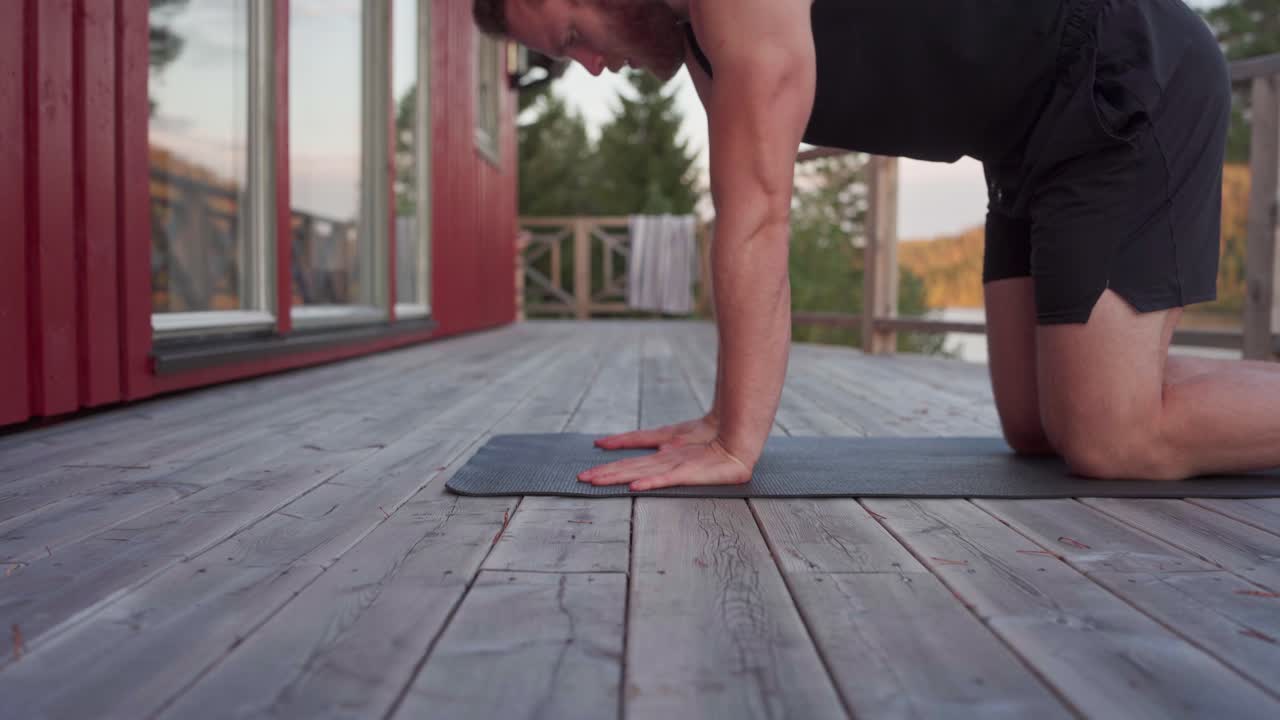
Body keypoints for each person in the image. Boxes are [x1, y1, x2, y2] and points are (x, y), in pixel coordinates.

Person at [474, 0, 1280, 491]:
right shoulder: (701, 45)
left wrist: (734, 445)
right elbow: (739, 205)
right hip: (1025, 139)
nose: (588, 66)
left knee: (1113, 438)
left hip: (1115, 75)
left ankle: (1132, 392)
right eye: (562, 58)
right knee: (1038, 428)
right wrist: (722, 414)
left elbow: (759, 216)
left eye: (573, 33)